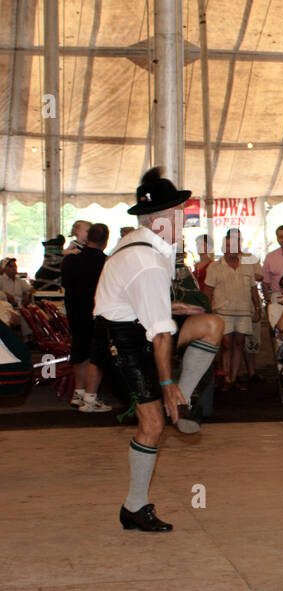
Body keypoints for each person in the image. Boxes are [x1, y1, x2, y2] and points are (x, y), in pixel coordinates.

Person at [91, 168, 224, 530]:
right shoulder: (148, 260)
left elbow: (133, 299)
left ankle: (187, 400)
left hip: (134, 328)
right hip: (122, 345)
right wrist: (167, 385)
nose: (184, 218)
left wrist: (175, 307)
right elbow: (160, 335)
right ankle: (134, 507)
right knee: (152, 425)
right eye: (179, 212)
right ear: (161, 220)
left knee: (211, 324)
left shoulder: (143, 243)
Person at [205, 228, 263, 389]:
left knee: (239, 344)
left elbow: (253, 289)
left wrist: (258, 308)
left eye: (234, 246)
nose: (232, 250)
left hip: (244, 311)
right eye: (228, 246)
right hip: (222, 312)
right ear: (223, 249)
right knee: (226, 345)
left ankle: (234, 377)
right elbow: (208, 292)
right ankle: (226, 378)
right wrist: (207, 311)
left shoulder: (248, 266)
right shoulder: (215, 267)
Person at [62, 222, 111, 412]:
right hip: (97, 313)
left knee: (79, 351)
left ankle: (78, 393)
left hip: (75, 311)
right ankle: (91, 398)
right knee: (96, 356)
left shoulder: (71, 260)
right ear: (105, 242)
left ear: (88, 237)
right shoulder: (107, 262)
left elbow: (65, 283)